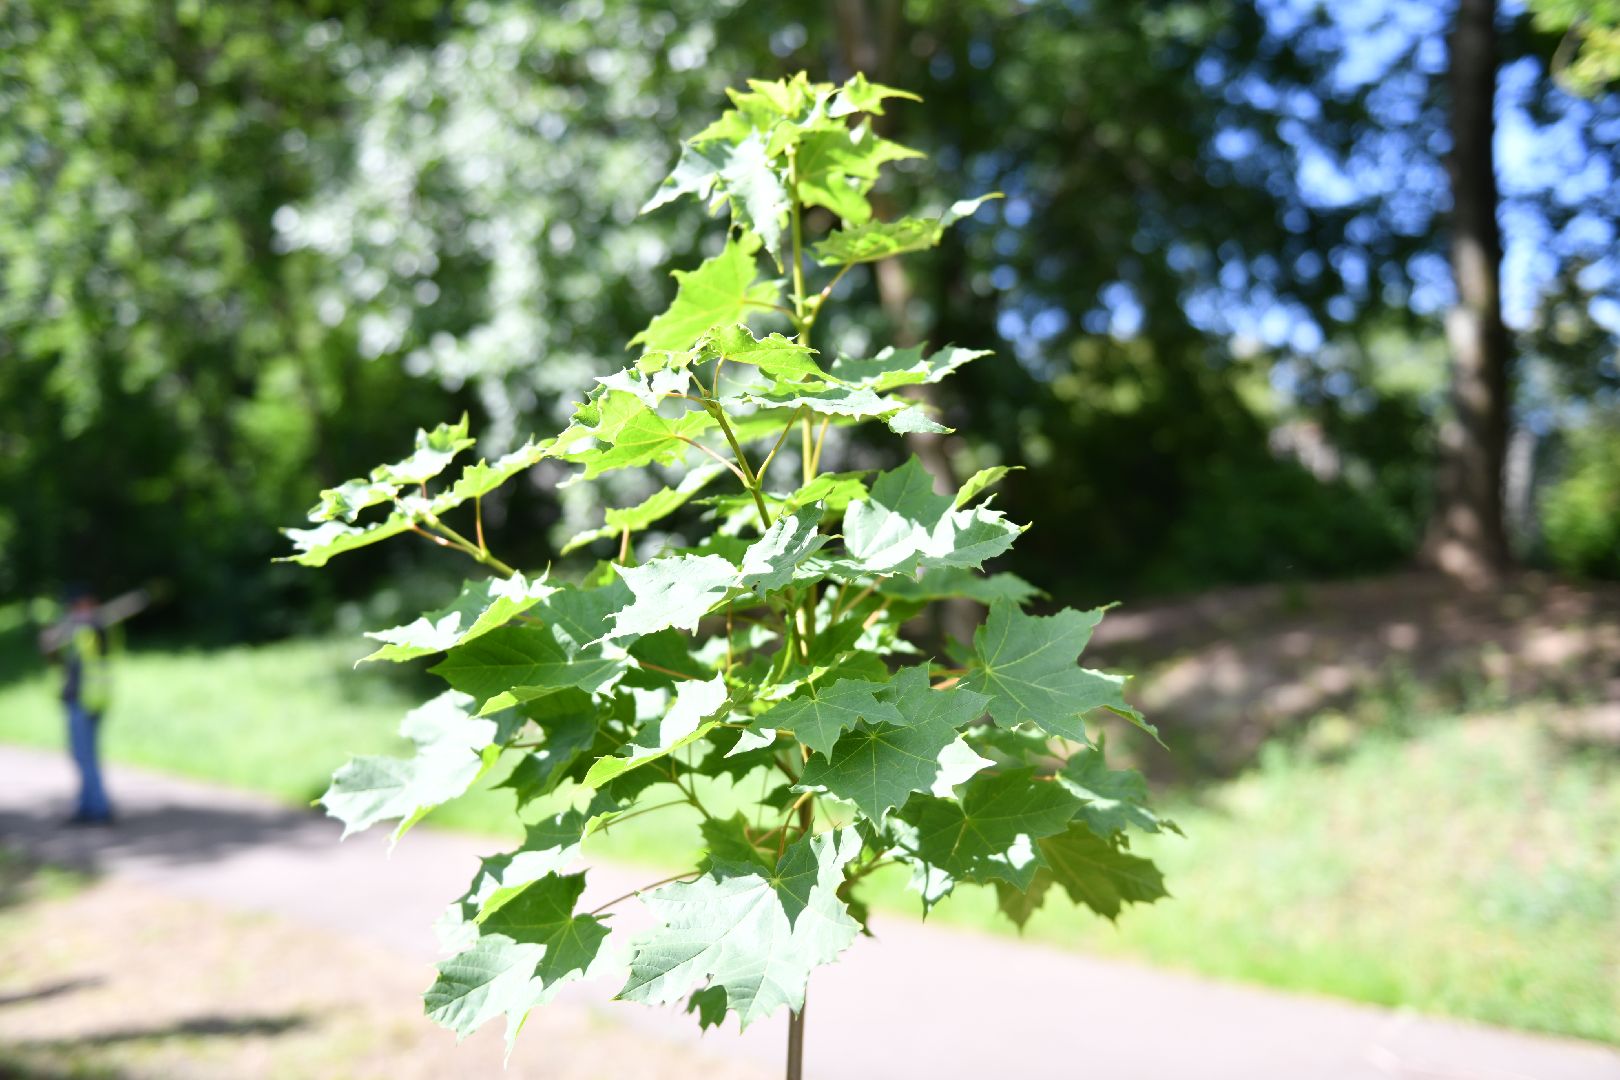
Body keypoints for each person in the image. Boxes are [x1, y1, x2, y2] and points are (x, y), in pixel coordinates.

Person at [44, 587, 116, 825]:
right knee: (82, 757)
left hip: (86, 701)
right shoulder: (83, 630)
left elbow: (86, 637)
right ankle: (88, 806)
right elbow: (58, 659)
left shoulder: (92, 629)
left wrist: (63, 632)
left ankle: (97, 809)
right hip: (87, 699)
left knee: (85, 757)